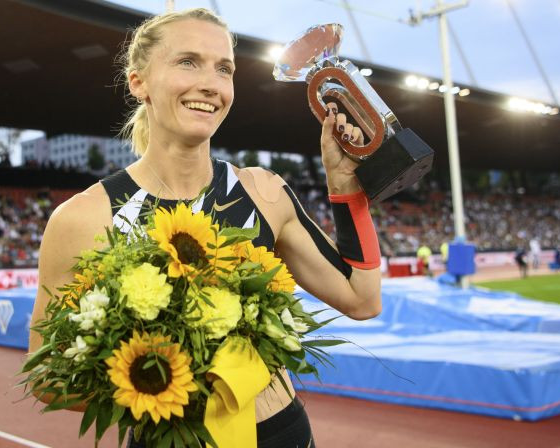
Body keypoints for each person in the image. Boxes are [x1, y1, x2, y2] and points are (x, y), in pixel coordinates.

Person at [28, 8, 382, 447]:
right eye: (187, 62)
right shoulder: (84, 218)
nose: (211, 84)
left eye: (224, 69)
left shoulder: (265, 193)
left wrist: (345, 187)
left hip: (284, 435)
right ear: (138, 82)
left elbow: (362, 298)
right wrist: (163, 382)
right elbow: (48, 376)